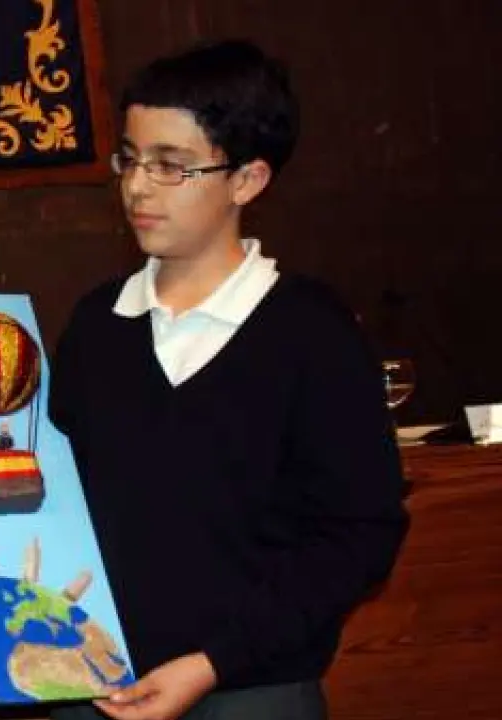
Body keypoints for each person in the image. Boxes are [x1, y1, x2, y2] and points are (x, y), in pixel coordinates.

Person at [49, 40, 408, 720]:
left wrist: (214, 662)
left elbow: (360, 535)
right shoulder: (98, 323)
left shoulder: (311, 332)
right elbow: (46, 495)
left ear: (247, 180)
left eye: (170, 165)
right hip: (92, 682)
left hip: (254, 690)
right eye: (130, 158)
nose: (137, 186)